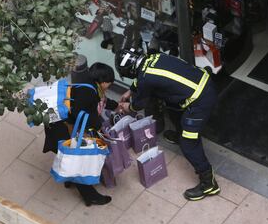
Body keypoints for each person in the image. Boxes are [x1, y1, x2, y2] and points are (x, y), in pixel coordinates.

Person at [116, 49, 220, 201]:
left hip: (200, 101)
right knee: (172, 108)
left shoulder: (145, 78)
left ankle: (209, 183)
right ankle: (180, 134)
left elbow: (138, 104)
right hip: (202, 84)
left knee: (189, 143)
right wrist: (130, 90)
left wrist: (128, 107)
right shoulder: (153, 57)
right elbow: (146, 78)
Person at [43, 62, 118, 206]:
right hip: (62, 129)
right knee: (76, 160)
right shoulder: (89, 93)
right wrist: (99, 128)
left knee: (69, 158)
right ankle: (91, 197)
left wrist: (115, 106)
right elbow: (84, 114)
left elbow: (99, 102)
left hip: (60, 124)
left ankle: (69, 179)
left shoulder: (88, 84)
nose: (109, 85)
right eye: (109, 83)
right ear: (102, 82)